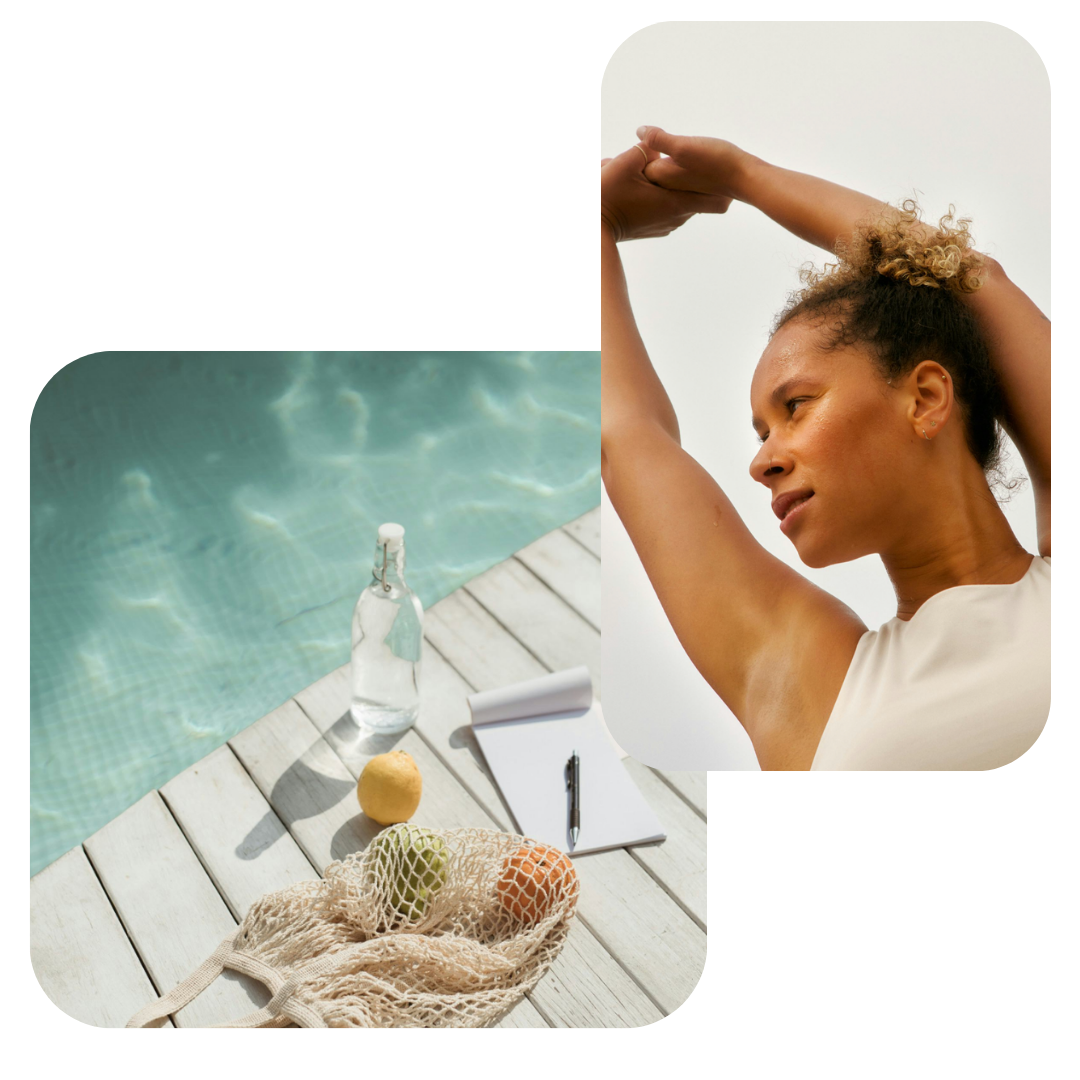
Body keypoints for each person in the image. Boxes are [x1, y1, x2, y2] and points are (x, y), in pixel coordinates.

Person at [601, 127, 1053, 770]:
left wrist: (744, 176)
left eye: (795, 407)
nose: (761, 463)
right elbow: (629, 438)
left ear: (924, 398)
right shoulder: (809, 682)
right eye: (761, 433)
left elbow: (975, 284)